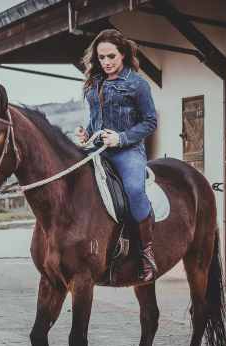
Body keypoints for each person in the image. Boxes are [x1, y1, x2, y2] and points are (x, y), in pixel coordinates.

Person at [75, 29, 158, 283]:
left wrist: (120, 138)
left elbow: (150, 122)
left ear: (123, 54)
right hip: (96, 147)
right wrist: (85, 134)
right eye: (101, 57)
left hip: (127, 151)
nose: (106, 62)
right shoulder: (94, 83)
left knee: (134, 190)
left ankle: (146, 253)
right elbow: (95, 119)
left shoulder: (138, 84)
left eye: (111, 56)